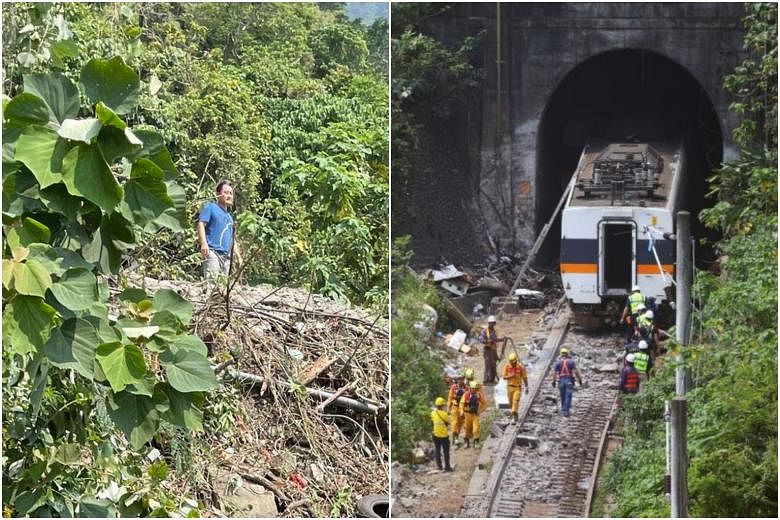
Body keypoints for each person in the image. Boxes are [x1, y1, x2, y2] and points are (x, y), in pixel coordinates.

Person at [197, 180, 243, 277]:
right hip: (212, 251)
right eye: (226, 193)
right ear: (218, 194)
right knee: (212, 282)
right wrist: (203, 243)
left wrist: (238, 256)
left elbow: (232, 239)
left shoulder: (230, 218)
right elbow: (201, 224)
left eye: (231, 193)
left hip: (226, 256)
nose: (229, 196)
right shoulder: (211, 207)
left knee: (222, 286)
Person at [551, 348, 583, 417]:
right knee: (568, 396)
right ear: (567, 354)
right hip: (569, 380)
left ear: (561, 354)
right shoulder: (571, 362)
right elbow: (576, 372)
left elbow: (555, 373)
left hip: (561, 380)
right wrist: (580, 380)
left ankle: (563, 409)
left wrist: (553, 381)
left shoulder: (558, 363)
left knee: (562, 396)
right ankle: (566, 411)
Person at [502, 352, 529, 424]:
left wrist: (526, 386)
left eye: (514, 362)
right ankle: (515, 415)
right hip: (509, 388)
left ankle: (514, 416)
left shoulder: (520, 367)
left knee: (515, 401)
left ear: (516, 361)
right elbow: (504, 377)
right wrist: (510, 376)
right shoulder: (507, 367)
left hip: (517, 388)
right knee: (511, 403)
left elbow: (525, 377)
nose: (513, 364)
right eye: (512, 363)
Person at [459, 381, 484, 448]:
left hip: (475, 414)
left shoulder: (479, 395)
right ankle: (466, 442)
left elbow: (484, 403)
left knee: (476, 428)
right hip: (467, 414)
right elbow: (461, 404)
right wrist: (461, 411)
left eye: (475, 388)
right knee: (467, 429)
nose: (474, 390)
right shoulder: (466, 395)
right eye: (473, 388)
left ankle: (476, 442)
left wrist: (480, 411)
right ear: (470, 388)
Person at [431, 397, 453, 471]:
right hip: (444, 436)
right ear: (442, 405)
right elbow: (449, 422)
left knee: (437, 451)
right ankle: (447, 467)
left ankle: (439, 466)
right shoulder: (444, 414)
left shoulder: (433, 413)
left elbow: (432, 421)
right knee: (446, 452)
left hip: (435, 435)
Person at [479, 316, 501, 384]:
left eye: (493, 323)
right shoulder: (485, 331)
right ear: (488, 323)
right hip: (487, 350)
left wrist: (502, 339)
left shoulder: (494, 331)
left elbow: (495, 340)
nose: (492, 324)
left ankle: (492, 379)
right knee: (488, 365)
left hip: (493, 350)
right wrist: (488, 341)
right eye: (490, 323)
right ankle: (486, 380)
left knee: (493, 365)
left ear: (494, 323)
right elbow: (481, 339)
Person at [447, 376, 467, 446]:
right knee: (455, 423)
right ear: (457, 380)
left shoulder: (466, 388)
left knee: (461, 423)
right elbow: (450, 398)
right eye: (459, 379)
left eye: (461, 379)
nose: (460, 380)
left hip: (463, 408)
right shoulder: (454, 387)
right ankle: (455, 438)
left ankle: (460, 438)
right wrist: (448, 408)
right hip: (455, 407)